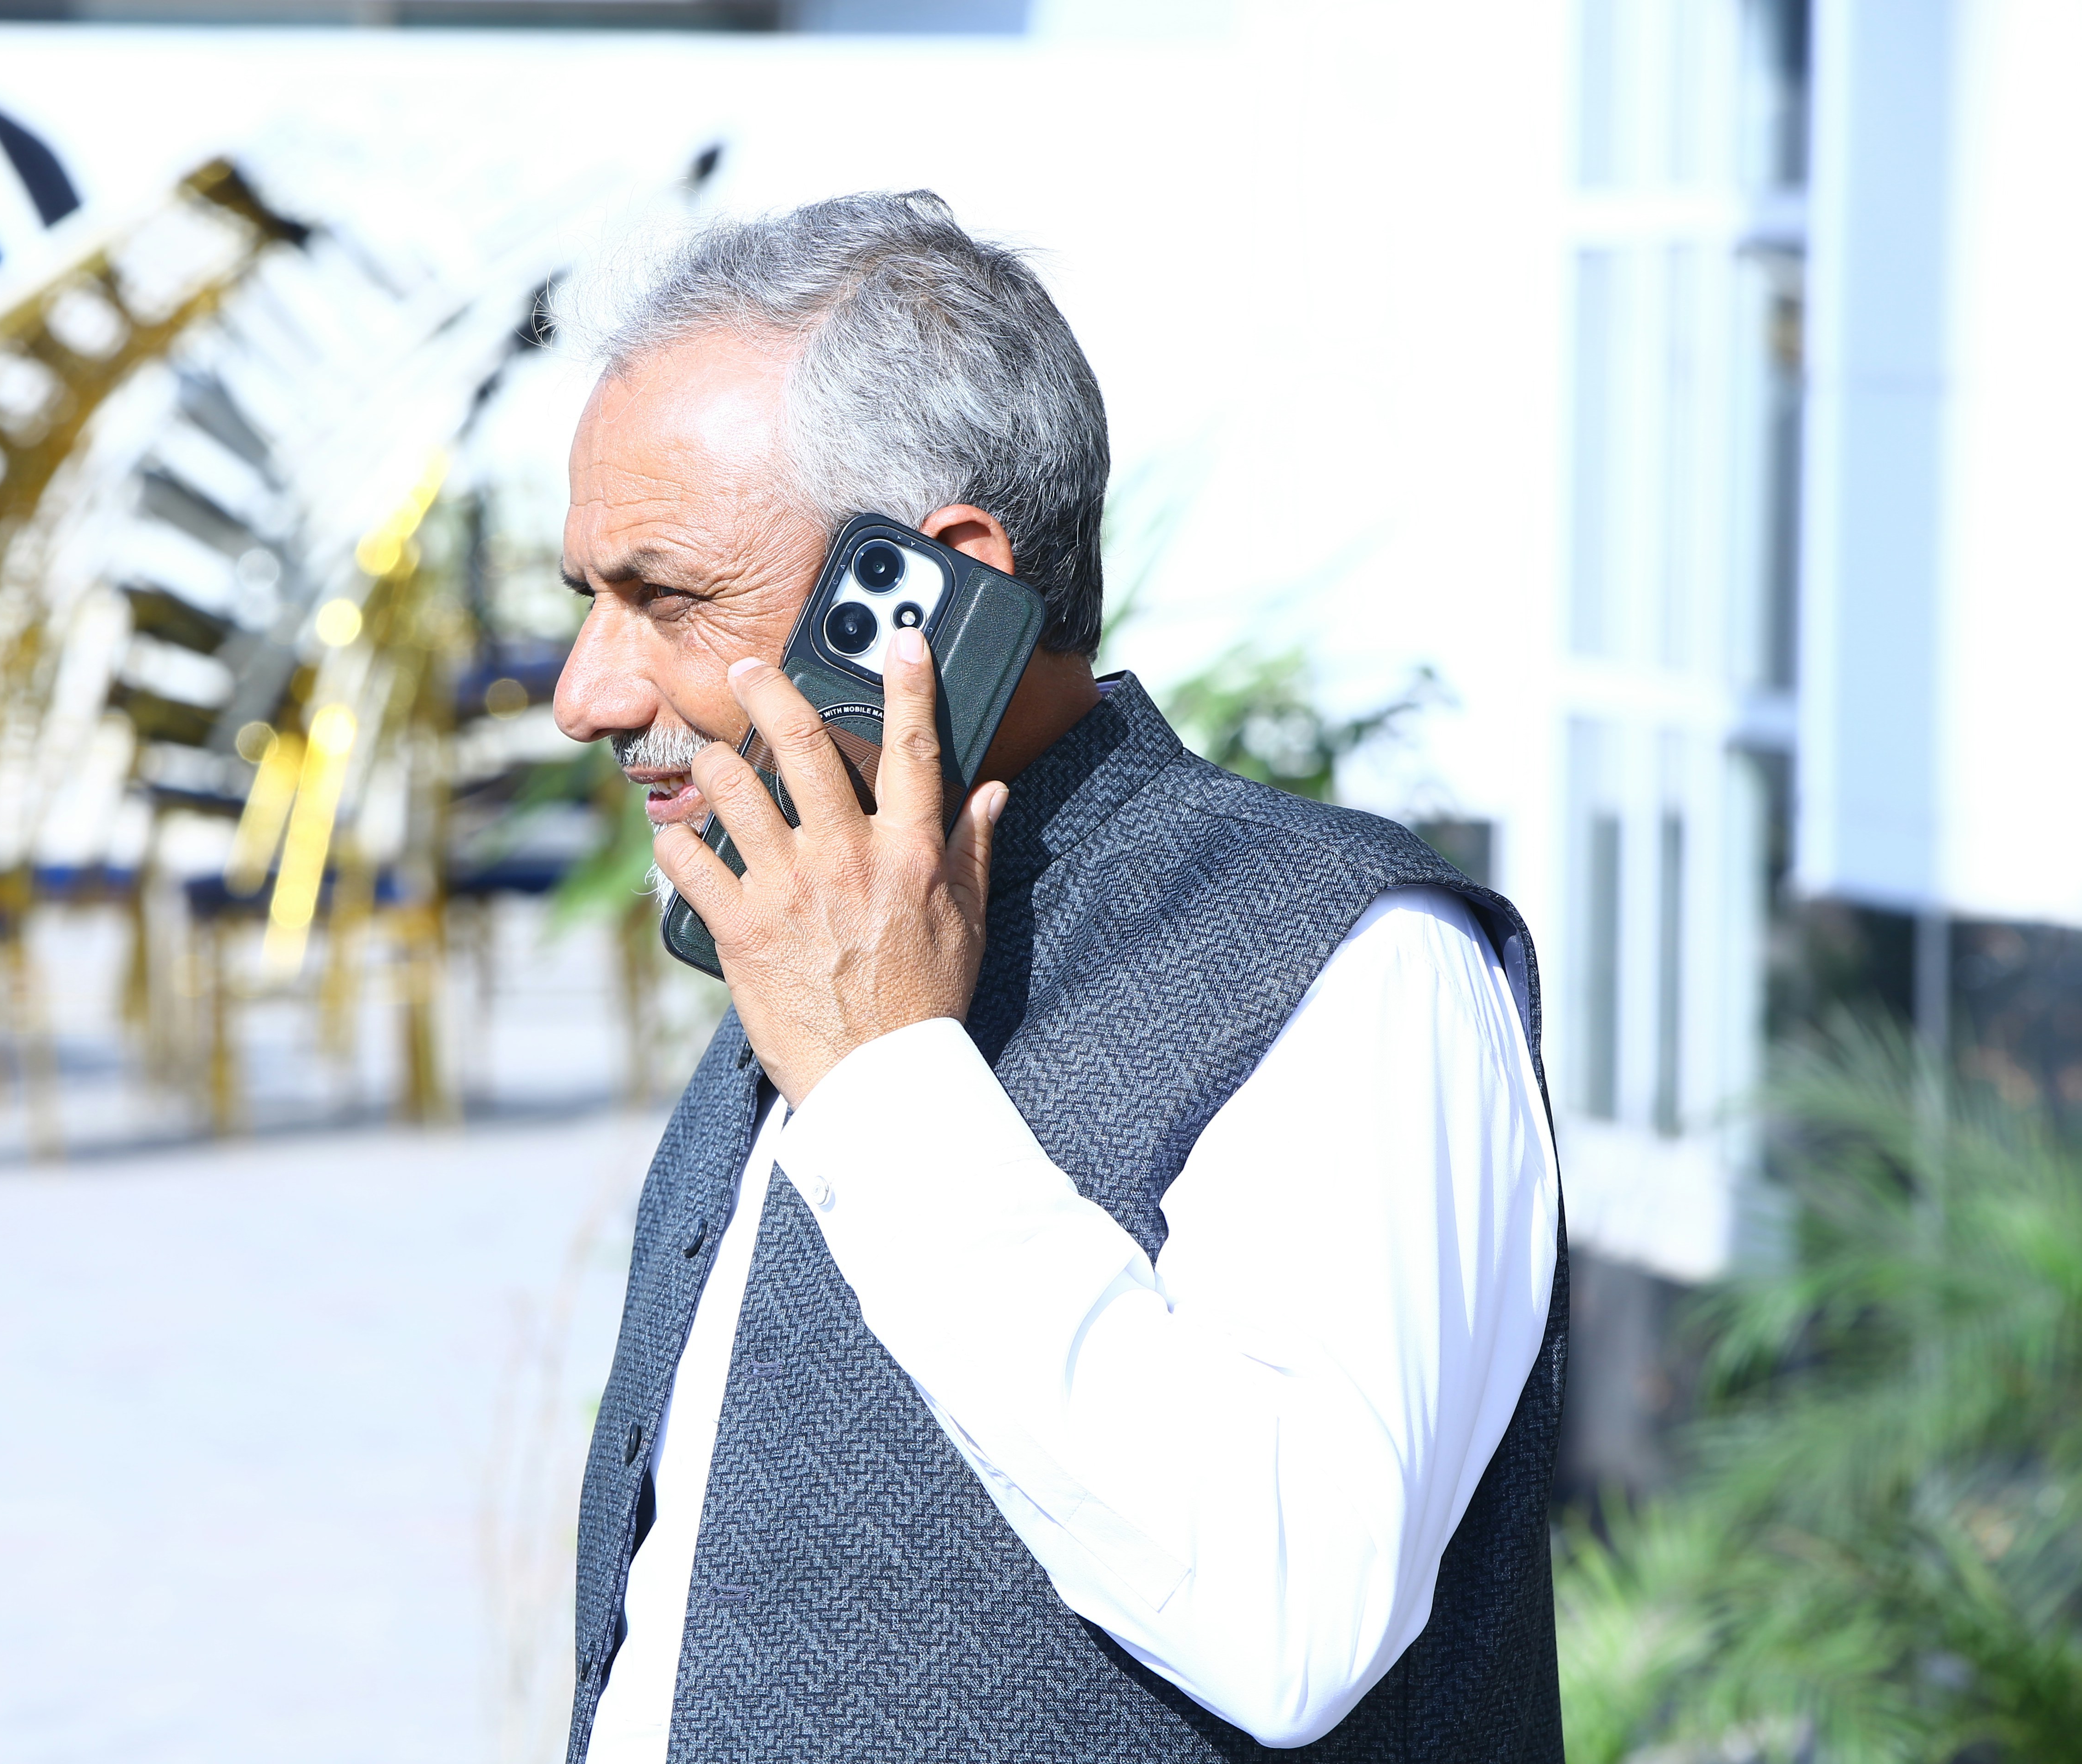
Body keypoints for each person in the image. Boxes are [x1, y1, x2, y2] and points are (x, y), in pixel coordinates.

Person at [549, 191, 1566, 1763]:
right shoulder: (807, 945)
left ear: (928, 594)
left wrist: (892, 1089)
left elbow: (1293, 1614)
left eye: (665, 598)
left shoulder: (1356, 961)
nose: (585, 695)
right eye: (586, 603)